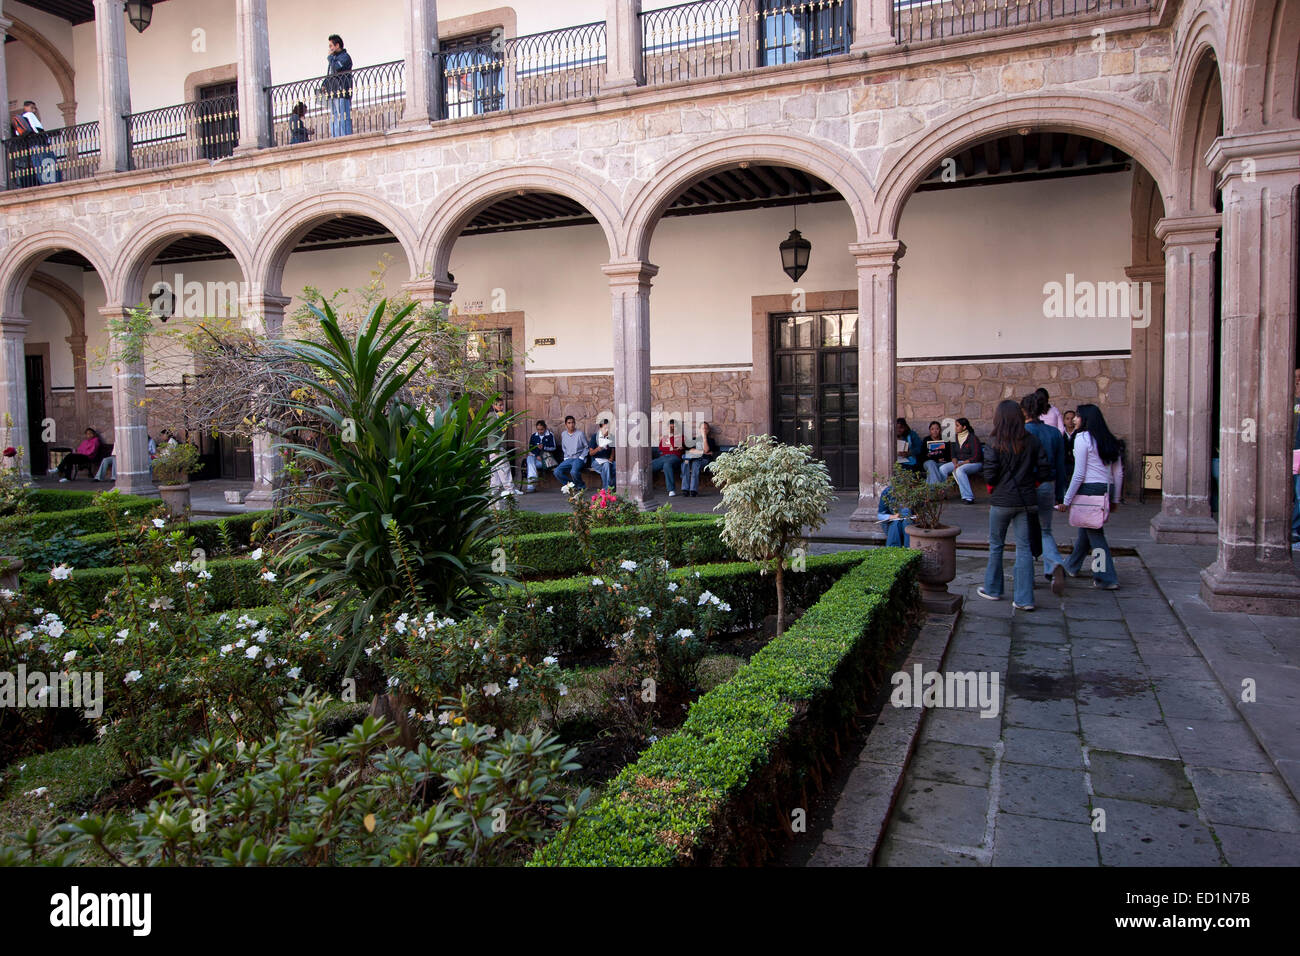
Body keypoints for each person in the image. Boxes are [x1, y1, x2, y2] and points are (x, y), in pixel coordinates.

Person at [979, 399, 1049, 610]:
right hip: (1026, 500)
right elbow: (1045, 471)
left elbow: (989, 475)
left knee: (996, 545)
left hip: (1001, 501)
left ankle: (993, 589)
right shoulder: (1032, 441)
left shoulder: (993, 442)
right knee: (1024, 548)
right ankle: (1024, 598)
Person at [1057, 403, 1124, 590]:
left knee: (1096, 535)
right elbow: (1118, 473)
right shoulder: (1110, 441)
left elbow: (1079, 473)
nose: (1075, 420)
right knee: (1086, 529)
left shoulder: (1082, 438)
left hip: (1089, 489)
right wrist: (1115, 498)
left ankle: (1106, 576)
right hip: (1105, 488)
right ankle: (1071, 565)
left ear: (1085, 419)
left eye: (1078, 416)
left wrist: (1066, 500)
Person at [1023, 393, 1068, 596]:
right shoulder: (1054, 433)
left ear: (1023, 411)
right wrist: (1060, 495)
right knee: (1045, 530)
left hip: (1027, 486)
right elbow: (1061, 466)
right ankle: (1054, 563)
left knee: (1024, 533)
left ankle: (1028, 576)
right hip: (1048, 485)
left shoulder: (1022, 432)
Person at [941, 418, 983, 503]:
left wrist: (961, 464)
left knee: (960, 470)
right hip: (959, 462)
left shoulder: (972, 438)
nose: (955, 428)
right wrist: (956, 463)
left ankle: (968, 497)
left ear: (964, 427)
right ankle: (943, 494)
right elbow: (953, 455)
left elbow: (976, 456)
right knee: (943, 468)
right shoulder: (954, 438)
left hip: (974, 463)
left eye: (957, 426)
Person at [486, 398, 517, 501]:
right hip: (496, 447)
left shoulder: (497, 416)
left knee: (495, 472)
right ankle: (510, 491)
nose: (502, 407)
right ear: (494, 406)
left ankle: (493, 492)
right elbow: (493, 433)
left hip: (495, 447)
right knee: (504, 469)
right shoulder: (492, 416)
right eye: (499, 405)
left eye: (502, 405)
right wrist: (496, 447)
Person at [325, 35, 354, 138]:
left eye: (331, 45)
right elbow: (331, 73)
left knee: (343, 116)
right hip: (333, 91)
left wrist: (330, 58)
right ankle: (336, 138)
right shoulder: (334, 58)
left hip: (342, 91)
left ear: (337, 45)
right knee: (334, 117)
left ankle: (345, 138)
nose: (330, 48)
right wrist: (324, 84)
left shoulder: (345, 57)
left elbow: (337, 68)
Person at [681, 421, 719, 498]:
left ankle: (693, 490)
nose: (704, 430)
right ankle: (685, 489)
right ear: (699, 429)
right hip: (691, 459)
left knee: (695, 464)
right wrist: (702, 452)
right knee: (685, 462)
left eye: (706, 428)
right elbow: (689, 450)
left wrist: (704, 437)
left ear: (708, 430)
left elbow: (707, 450)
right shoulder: (694, 439)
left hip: (704, 460)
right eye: (702, 428)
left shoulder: (711, 440)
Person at [554, 415, 589, 491]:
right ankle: (571, 485)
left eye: (573, 422)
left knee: (573, 472)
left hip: (578, 459)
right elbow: (564, 447)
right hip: (568, 459)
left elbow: (587, 447)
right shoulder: (564, 434)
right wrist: (566, 457)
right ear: (566, 424)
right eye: (569, 423)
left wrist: (581, 457)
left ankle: (581, 486)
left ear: (575, 423)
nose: (571, 425)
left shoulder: (580, 434)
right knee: (557, 471)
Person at [652, 418, 684, 497]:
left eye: (674, 427)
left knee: (667, 465)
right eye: (670, 427)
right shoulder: (665, 437)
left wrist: (671, 445)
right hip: (663, 457)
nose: (672, 429)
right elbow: (661, 448)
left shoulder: (681, 437)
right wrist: (671, 447)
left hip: (675, 457)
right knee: (648, 465)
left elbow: (673, 447)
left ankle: (671, 490)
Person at [524, 420, 556, 492]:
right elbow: (530, 449)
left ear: (545, 428)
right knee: (529, 458)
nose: (540, 431)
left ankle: (531, 486)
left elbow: (554, 447)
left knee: (530, 464)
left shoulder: (550, 435)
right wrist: (536, 455)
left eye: (541, 429)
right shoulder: (534, 436)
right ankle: (532, 484)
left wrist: (544, 447)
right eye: (538, 429)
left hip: (546, 460)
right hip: (536, 459)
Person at [587, 419, 616, 491]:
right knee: (606, 466)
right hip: (596, 462)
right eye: (605, 428)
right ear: (600, 428)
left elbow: (613, 450)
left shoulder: (611, 437)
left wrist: (611, 458)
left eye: (608, 428)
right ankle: (607, 490)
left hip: (607, 460)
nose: (607, 430)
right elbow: (590, 453)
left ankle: (611, 486)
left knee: (617, 466)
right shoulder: (595, 437)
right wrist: (598, 449)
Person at [921, 420, 951, 485]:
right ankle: (938, 487)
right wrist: (935, 458)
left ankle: (931, 491)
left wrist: (943, 459)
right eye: (932, 429)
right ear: (930, 431)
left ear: (940, 430)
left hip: (942, 463)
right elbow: (922, 455)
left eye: (937, 429)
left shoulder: (945, 439)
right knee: (931, 464)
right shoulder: (926, 439)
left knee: (933, 471)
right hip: (928, 463)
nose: (935, 431)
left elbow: (949, 454)